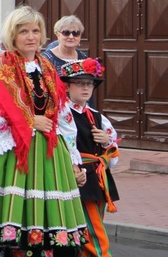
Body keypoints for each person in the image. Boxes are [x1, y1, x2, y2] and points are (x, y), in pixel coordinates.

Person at [0, 5, 88, 256]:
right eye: (24, 31)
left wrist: (74, 159)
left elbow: (62, 116)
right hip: (12, 155)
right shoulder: (0, 70)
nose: (31, 37)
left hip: (51, 156)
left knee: (49, 219)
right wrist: (30, 122)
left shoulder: (49, 69)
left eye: (35, 31)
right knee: (12, 217)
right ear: (12, 36)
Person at [61, 58, 119, 257]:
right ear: (67, 87)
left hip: (97, 179)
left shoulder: (97, 116)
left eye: (89, 84)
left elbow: (113, 157)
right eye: (80, 83)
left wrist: (106, 141)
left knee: (91, 227)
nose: (86, 88)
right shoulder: (61, 114)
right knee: (91, 233)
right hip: (74, 177)